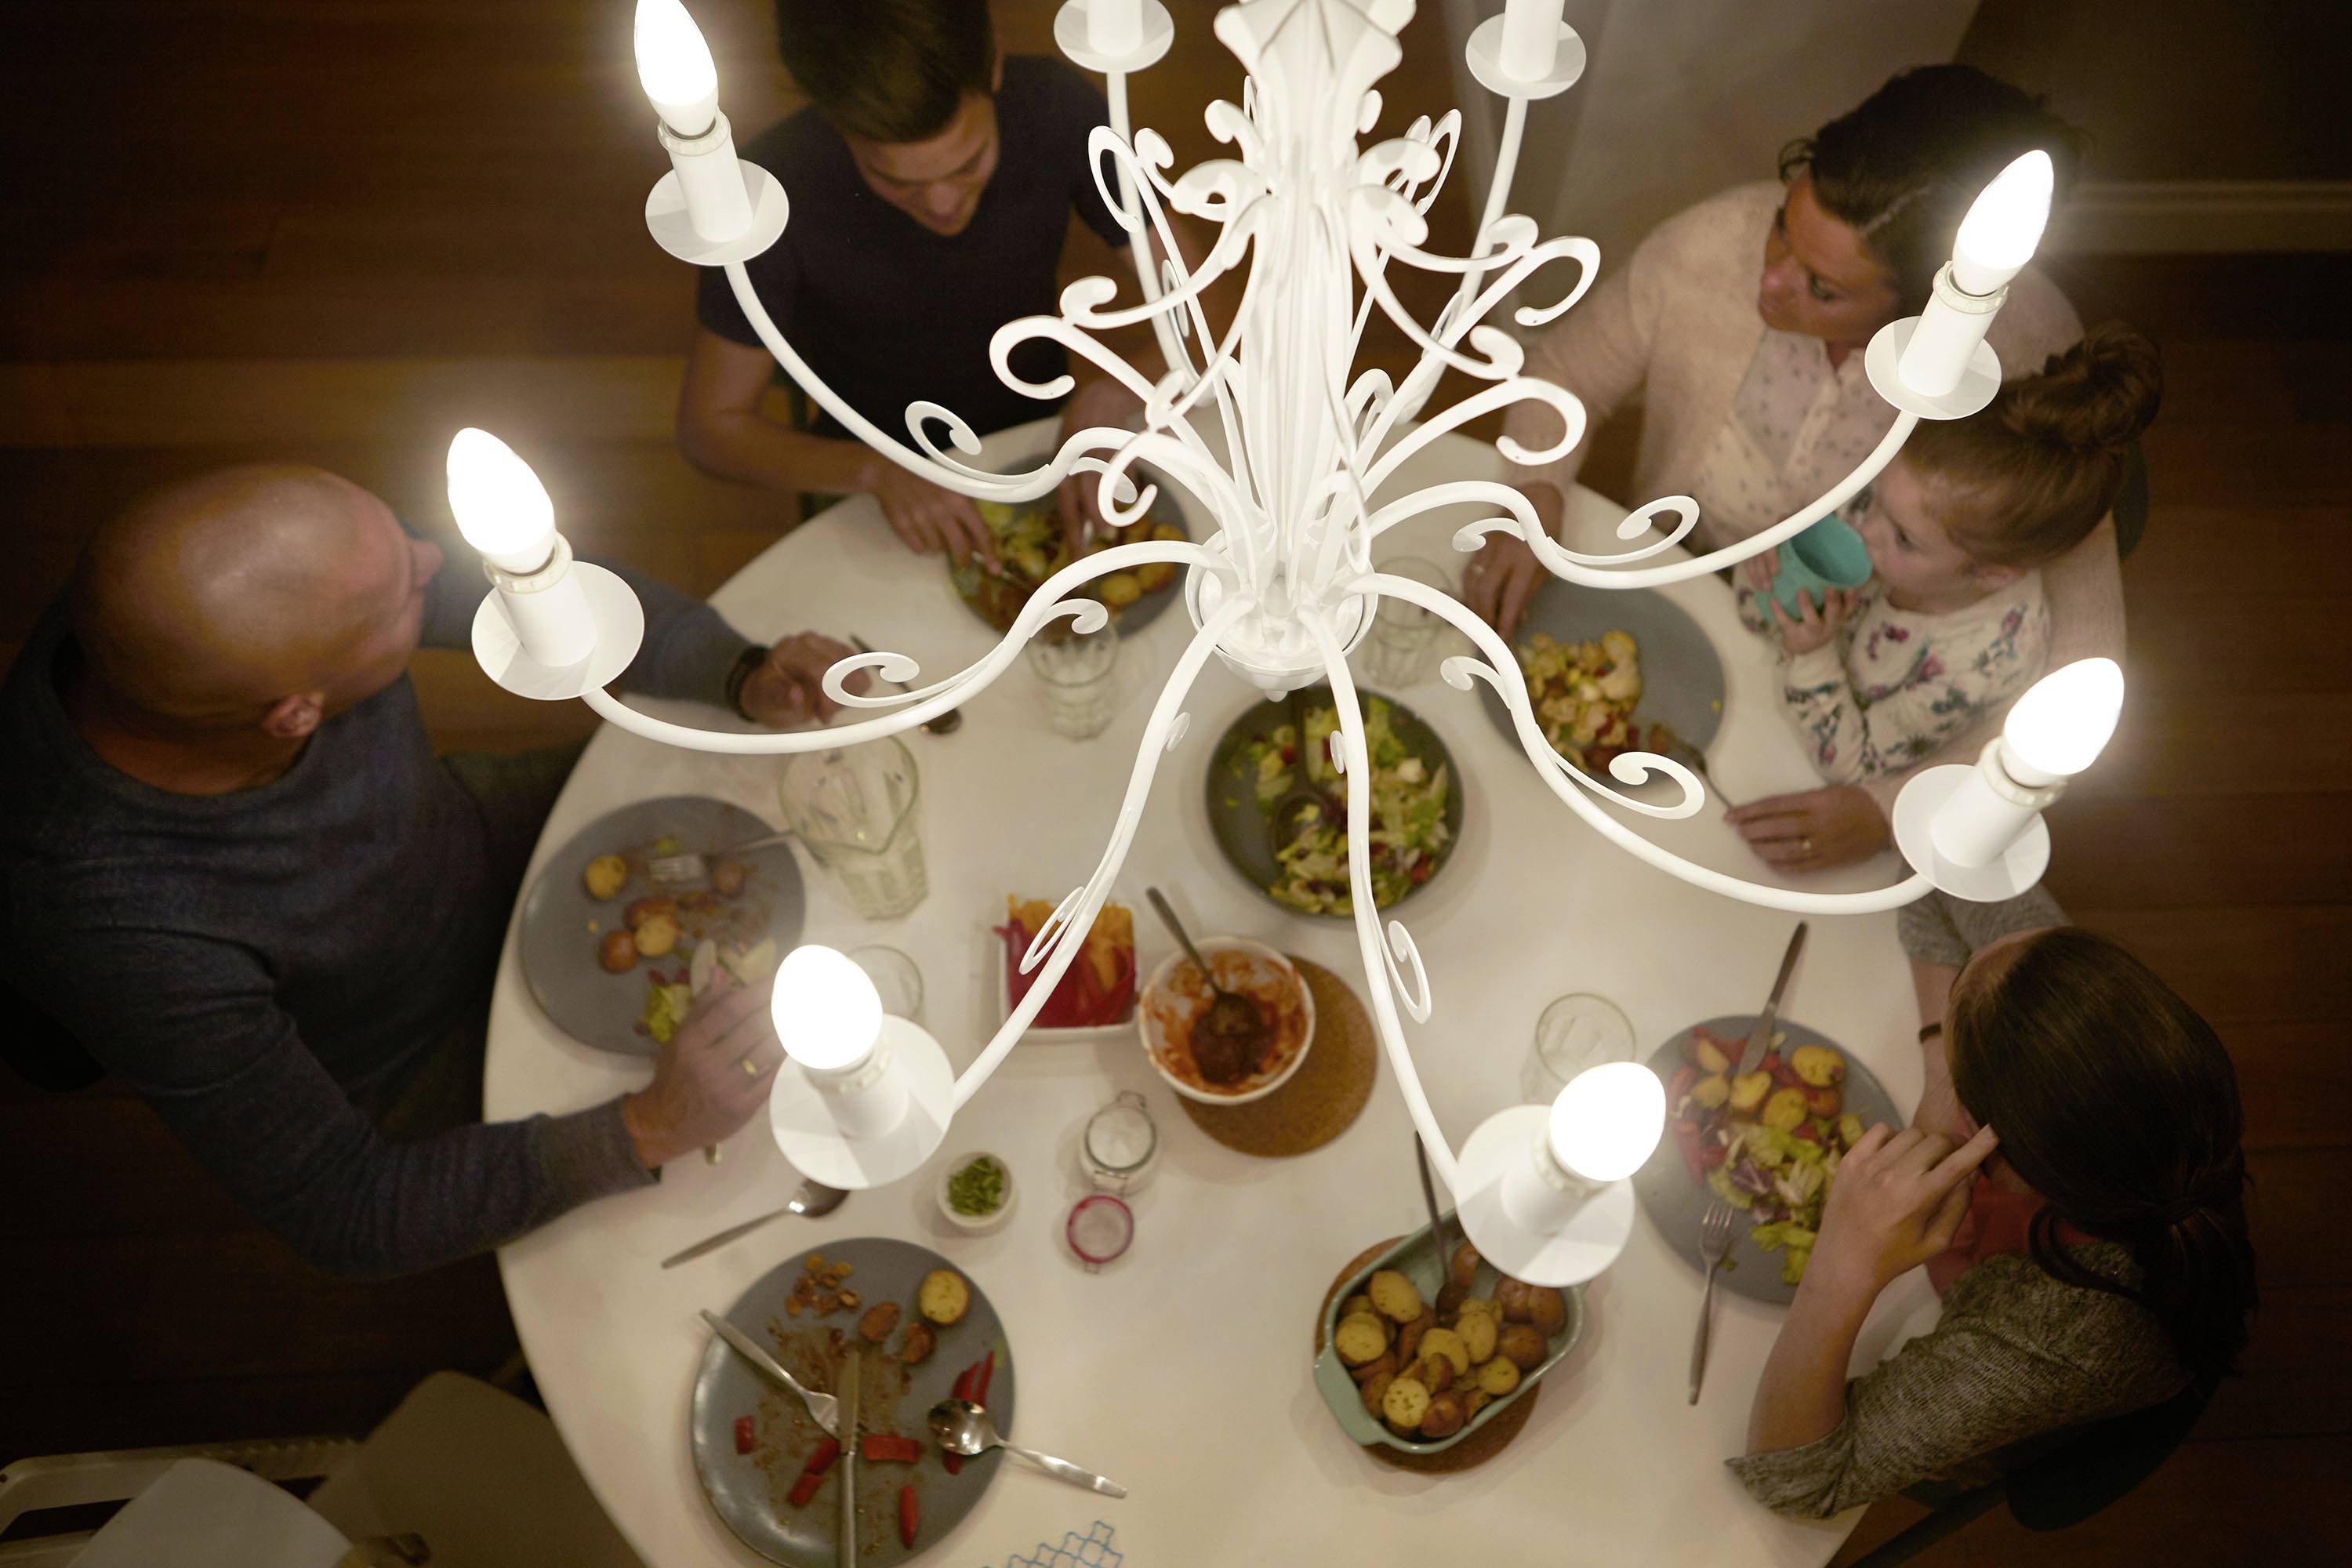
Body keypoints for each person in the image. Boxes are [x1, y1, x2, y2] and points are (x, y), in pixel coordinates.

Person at [0, 464, 862, 1277]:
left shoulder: (203, 603)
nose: (433, 559)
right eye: (404, 594)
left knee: (795, 803)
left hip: (472, 834)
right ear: (294, 714)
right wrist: (647, 1127)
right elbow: (344, 1208)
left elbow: (525, 589)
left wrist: (736, 671)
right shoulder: (121, 929)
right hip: (423, 1053)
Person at [1467, 66, 2116, 873]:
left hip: (1841, 698)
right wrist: (1533, 492)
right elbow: (1565, 372)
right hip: (1664, 578)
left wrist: (1888, 808)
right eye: (1784, 227)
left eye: (1821, 287)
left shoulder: (2023, 360)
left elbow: (2084, 667)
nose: (1768, 278)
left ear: (1919, 307)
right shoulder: (1711, 243)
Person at [1730, 891, 2258, 1516]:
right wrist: (1944, 1059)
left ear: (1986, 1142)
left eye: (1959, 1081)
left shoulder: (2063, 1336)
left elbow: (1793, 1482)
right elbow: (1938, 882)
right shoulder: (2064, 1011)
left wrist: (1842, 1265)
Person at [677, 0, 1171, 564]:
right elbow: (708, 429)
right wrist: (873, 471)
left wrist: (1115, 392)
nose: (941, 203)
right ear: (835, 119)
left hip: (1039, 438)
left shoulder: (1054, 107)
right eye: (895, 180)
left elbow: (1211, 304)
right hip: (866, 468)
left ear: (994, 64)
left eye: (968, 164)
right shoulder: (764, 196)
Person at [1745, 325, 2161, 782]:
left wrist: (1811, 655)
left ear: (1993, 574)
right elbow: (1753, 615)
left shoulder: (1982, 664)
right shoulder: (1894, 514)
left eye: (1904, 539)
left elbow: (1854, 766)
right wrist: (1772, 559)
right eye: (1877, 499)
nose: (1865, 528)